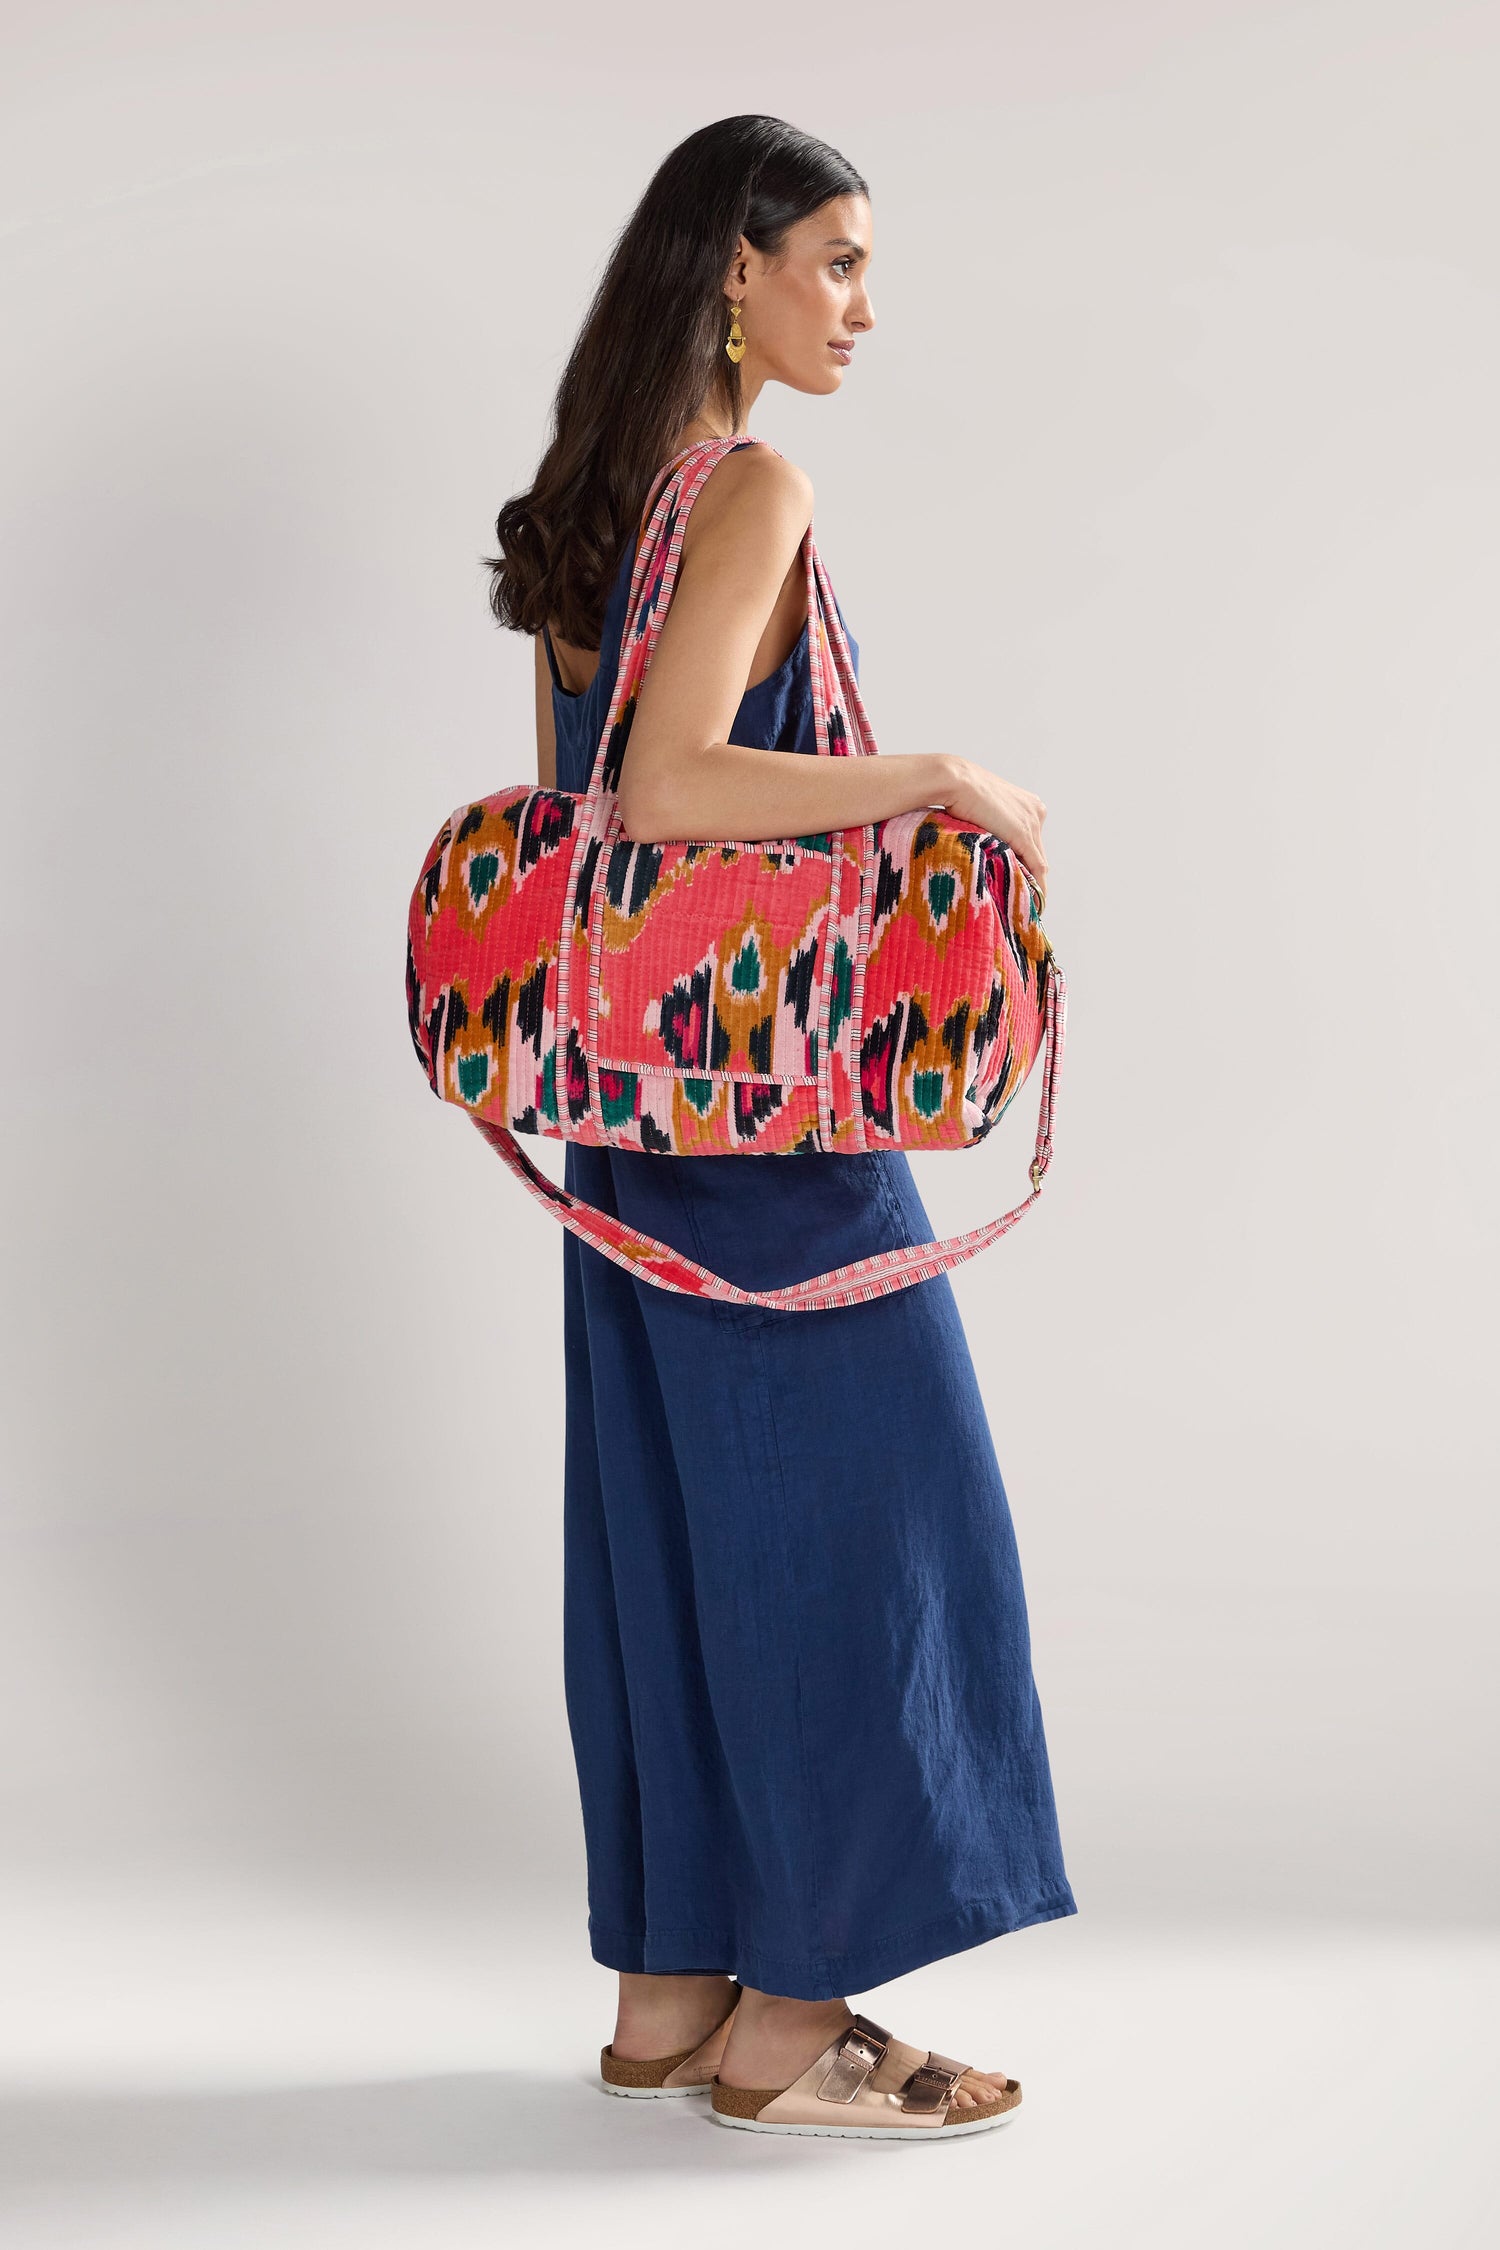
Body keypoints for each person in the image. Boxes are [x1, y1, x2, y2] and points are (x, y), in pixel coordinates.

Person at [486, 114, 1076, 2143]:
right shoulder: (748, 485)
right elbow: (666, 795)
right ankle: (793, 2017)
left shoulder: (587, 504)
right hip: (774, 1112)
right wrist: (935, 776)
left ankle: (669, 1993)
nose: (861, 305)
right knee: (873, 1535)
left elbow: (573, 827)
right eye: (832, 259)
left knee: (666, 1527)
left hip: (626, 1121)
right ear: (727, 268)